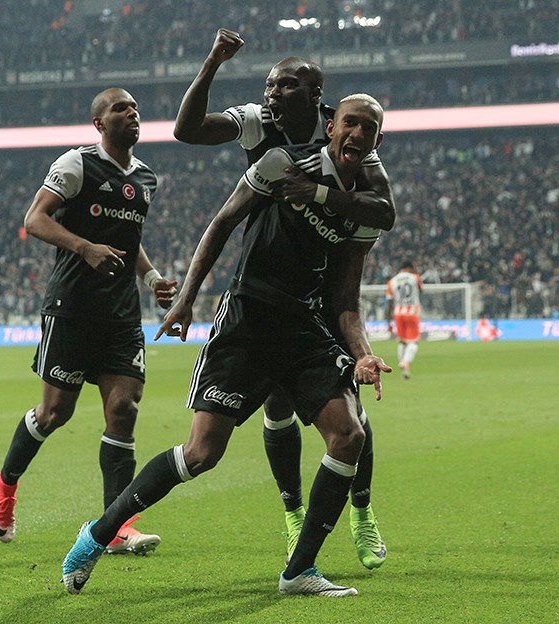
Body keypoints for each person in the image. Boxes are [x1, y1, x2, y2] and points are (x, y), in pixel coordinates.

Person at [61, 94, 392, 597]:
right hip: (247, 320)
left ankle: (299, 570)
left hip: (304, 330)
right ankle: (97, 534)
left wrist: (363, 351)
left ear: (376, 140)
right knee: (201, 454)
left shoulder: (365, 208)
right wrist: (186, 299)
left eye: (368, 128)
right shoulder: (282, 164)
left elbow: (346, 298)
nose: (357, 134)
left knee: (349, 435)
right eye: (350, 123)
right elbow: (222, 223)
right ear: (332, 128)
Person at [173, 28, 394, 569]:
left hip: (323, 284)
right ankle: (293, 513)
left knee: (349, 409)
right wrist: (212, 62)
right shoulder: (258, 121)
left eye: (285, 85)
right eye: (270, 84)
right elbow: (187, 131)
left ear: (317, 98)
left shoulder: (348, 137)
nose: (272, 93)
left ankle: (362, 509)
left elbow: (382, 209)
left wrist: (319, 193)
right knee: (275, 403)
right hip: (269, 273)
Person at [0, 88, 177, 556]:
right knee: (55, 413)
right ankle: (5, 483)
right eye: (120, 108)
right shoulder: (77, 164)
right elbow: (34, 220)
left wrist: (151, 277)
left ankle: (116, 526)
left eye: (135, 108)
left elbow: (130, 239)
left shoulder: (146, 179)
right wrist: (84, 247)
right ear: (99, 123)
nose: (132, 113)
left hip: (121, 314)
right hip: (72, 307)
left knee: (124, 409)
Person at [387, 259, 423, 379]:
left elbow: (390, 303)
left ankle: (404, 369)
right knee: (413, 341)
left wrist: (388, 321)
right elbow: (421, 290)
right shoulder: (415, 277)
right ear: (410, 268)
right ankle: (405, 362)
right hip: (412, 312)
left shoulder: (392, 281)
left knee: (402, 341)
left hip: (398, 313)